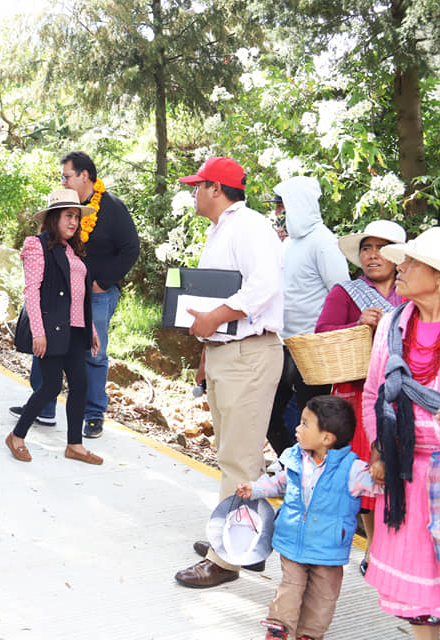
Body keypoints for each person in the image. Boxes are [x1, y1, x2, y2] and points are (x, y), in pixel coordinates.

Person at [173, 156, 284, 588]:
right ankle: (240, 541)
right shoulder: (224, 229)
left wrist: (217, 316)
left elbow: (264, 285)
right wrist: (207, 344)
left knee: (239, 459)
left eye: (198, 185)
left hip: (248, 354)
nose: (193, 192)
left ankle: (225, 561)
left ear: (216, 189)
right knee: (235, 457)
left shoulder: (249, 225)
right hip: (226, 353)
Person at [362, 227, 440, 638]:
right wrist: (381, 450)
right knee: (420, 605)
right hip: (408, 478)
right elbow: (372, 395)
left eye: (412, 262)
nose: (400, 267)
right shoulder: (392, 325)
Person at [10, 151, 140, 437]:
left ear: (85, 176)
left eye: (66, 176)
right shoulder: (64, 208)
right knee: (44, 347)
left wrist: (103, 282)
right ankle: (42, 405)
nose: (63, 182)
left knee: (93, 354)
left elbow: (131, 249)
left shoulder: (113, 208)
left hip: (95, 295)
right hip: (56, 294)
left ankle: (93, 414)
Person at [238, 395, 380, 640]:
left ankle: (310, 634)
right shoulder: (294, 457)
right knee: (290, 587)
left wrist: (385, 471)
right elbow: (279, 482)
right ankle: (279, 627)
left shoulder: (353, 470)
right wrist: (256, 489)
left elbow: (381, 487)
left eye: (304, 424)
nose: (297, 428)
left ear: (326, 438)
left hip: (329, 548)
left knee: (323, 596)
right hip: (292, 540)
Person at [315, 219, 406, 576]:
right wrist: (356, 327)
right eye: (366, 248)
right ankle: (373, 546)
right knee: (367, 471)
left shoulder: (413, 292)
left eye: (381, 248)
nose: (372, 255)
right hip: (358, 394)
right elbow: (321, 337)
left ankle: (395, 544)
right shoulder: (346, 293)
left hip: (404, 393)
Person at [7, 189, 102, 465]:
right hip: (50, 327)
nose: (73, 222)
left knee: (80, 385)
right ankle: (17, 435)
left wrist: (91, 329)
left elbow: (80, 296)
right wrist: (38, 331)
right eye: (68, 216)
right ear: (54, 218)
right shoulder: (37, 245)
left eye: (76, 217)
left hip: (75, 328)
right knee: (50, 387)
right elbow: (31, 291)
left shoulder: (75, 250)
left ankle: (75, 445)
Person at [266, 176, 349, 457]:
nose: (278, 212)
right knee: (269, 415)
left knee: (314, 423)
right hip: (284, 346)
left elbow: (342, 293)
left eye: (281, 205)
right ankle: (294, 468)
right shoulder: (290, 243)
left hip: (314, 350)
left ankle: (314, 476)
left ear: (297, 205)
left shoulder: (324, 243)